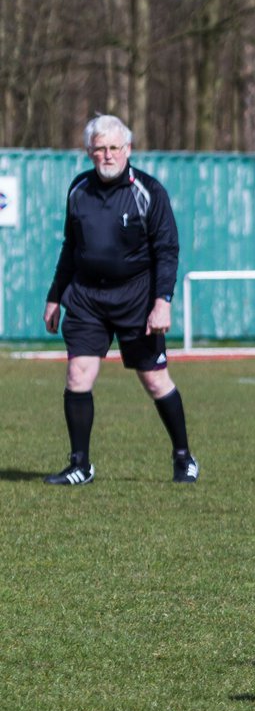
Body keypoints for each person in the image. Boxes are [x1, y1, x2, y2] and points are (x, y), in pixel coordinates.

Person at [43, 114, 198, 485]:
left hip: (136, 299)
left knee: (154, 380)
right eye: (100, 149)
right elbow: (70, 247)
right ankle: (80, 464)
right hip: (86, 297)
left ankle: (183, 457)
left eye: (115, 148)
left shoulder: (149, 192)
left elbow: (167, 249)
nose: (108, 155)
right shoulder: (78, 190)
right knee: (78, 374)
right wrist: (54, 296)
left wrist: (163, 301)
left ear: (128, 150)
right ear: (89, 152)